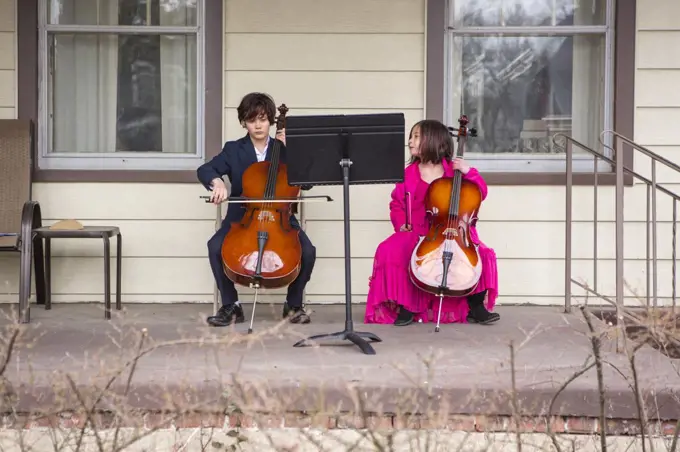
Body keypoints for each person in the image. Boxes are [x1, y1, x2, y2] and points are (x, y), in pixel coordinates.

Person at [363, 119, 500, 326]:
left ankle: (475, 305)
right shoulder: (407, 174)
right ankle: (407, 306)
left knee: (481, 253)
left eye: (416, 136)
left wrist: (468, 171)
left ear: (435, 141)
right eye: (411, 137)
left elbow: (480, 192)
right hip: (417, 230)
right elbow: (396, 204)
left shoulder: (453, 172)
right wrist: (401, 224)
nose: (410, 141)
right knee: (390, 249)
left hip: (452, 230)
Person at [197, 92, 316, 327]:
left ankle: (293, 305)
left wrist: (294, 151)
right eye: (252, 120)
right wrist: (217, 182)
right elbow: (205, 169)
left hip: (281, 218)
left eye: (263, 119)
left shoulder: (283, 149)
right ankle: (231, 306)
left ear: (271, 120)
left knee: (309, 252)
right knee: (215, 246)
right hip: (243, 218)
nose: (258, 125)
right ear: (244, 122)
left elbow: (308, 182)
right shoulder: (233, 149)